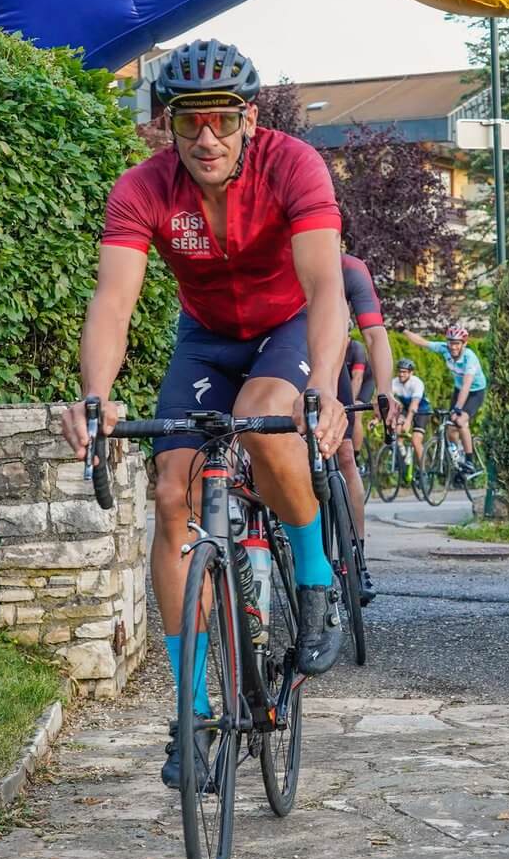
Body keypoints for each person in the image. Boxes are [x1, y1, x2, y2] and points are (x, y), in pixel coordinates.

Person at [60, 39, 349, 792]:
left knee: (262, 420)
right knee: (171, 495)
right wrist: (96, 395)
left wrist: (324, 388)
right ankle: (190, 714)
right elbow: (113, 302)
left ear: (249, 118)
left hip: (285, 326)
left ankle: (315, 577)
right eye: (190, 121)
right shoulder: (143, 188)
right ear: (168, 124)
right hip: (206, 341)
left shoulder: (293, 166)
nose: (207, 137)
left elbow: (326, 288)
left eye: (222, 119)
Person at [336, 252, 395, 604]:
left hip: (329, 366)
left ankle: (356, 558)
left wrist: (385, 391)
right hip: (283, 355)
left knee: (345, 455)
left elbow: (374, 334)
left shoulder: (350, 269)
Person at [401, 325, 487, 481]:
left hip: (475, 392)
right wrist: (404, 331)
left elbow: (467, 385)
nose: (453, 347)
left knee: (460, 421)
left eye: (457, 343)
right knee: (450, 429)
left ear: (464, 343)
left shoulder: (470, 358)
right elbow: (422, 342)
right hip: (458, 390)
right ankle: (458, 458)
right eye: (451, 343)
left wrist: (458, 408)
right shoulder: (444, 349)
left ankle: (469, 461)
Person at [391, 357, 431, 476]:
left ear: (411, 373)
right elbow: (387, 400)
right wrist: (376, 418)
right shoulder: (395, 382)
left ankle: (423, 471)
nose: (401, 374)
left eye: (404, 372)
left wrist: (408, 422)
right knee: (397, 431)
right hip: (406, 408)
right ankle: (403, 457)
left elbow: (414, 404)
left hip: (421, 411)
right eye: (400, 371)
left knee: (415, 440)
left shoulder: (417, 383)